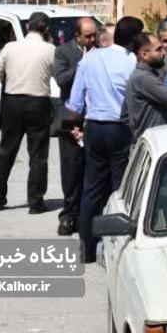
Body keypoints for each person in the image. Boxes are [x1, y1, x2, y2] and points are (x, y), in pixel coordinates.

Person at [67, 15, 144, 263]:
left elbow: (75, 103)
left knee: (91, 188)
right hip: (120, 128)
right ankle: (116, 247)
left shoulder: (89, 59)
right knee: (119, 188)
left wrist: (77, 123)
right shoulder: (131, 60)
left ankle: (86, 249)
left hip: (95, 128)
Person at [0, 11, 57, 215]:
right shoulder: (50, 50)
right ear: (47, 29)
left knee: (6, 151)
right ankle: (35, 202)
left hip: (13, 102)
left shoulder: (10, 47)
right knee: (38, 156)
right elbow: (57, 74)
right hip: (38, 103)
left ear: (28, 26)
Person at [51, 17, 97, 235]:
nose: (92, 39)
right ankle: (68, 215)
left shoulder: (100, 52)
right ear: (77, 36)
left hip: (94, 118)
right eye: (88, 36)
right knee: (71, 169)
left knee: (91, 169)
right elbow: (61, 80)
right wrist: (82, 63)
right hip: (71, 118)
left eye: (94, 35)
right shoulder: (63, 52)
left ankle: (87, 216)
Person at [124, 33, 167, 141]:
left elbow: (124, 115)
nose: (164, 53)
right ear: (144, 55)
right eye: (158, 49)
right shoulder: (143, 78)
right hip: (154, 142)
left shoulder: (144, 76)